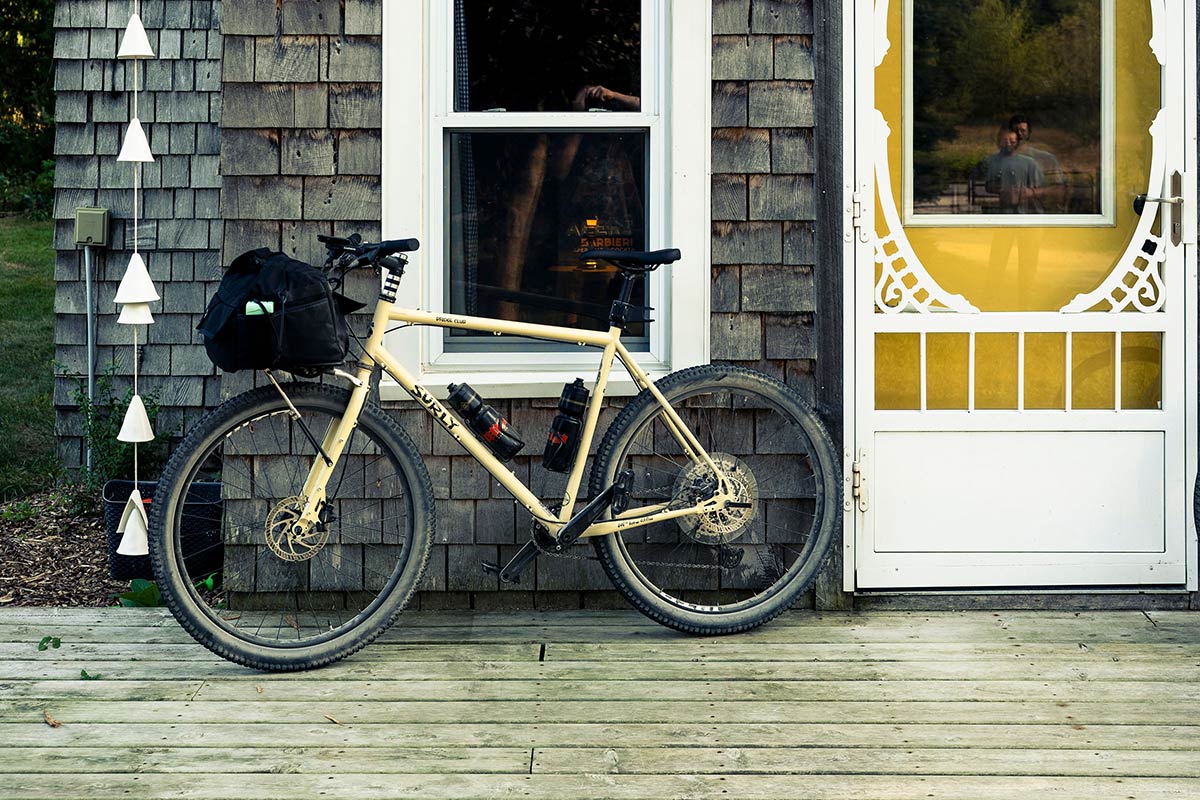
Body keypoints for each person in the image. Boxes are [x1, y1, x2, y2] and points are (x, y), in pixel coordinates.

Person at [1009, 113, 1067, 213]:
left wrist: (1032, 193)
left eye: (1023, 130)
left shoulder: (1046, 159)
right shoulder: (1001, 159)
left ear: (1029, 133)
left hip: (1037, 215)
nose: (1019, 134)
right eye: (1015, 130)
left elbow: (1061, 190)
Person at [984, 127, 1044, 213]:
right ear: (999, 142)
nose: (1008, 144)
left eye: (1012, 141)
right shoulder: (992, 162)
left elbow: (1041, 189)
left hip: (1025, 212)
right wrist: (999, 188)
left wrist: (1026, 192)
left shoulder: (1029, 163)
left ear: (1017, 142)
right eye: (1005, 141)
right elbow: (987, 186)